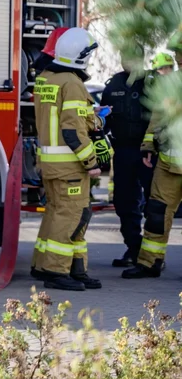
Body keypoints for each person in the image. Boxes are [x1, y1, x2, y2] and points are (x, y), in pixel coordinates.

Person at [31, 27, 108, 291]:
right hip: (70, 165)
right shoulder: (72, 83)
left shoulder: (46, 78)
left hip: (51, 164)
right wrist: (92, 162)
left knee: (58, 214)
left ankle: (59, 267)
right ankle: (56, 272)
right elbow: (72, 130)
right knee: (70, 217)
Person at [125, 48, 182, 279]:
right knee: (157, 213)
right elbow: (156, 117)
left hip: (169, 162)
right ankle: (149, 263)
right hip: (168, 164)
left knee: (157, 213)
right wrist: (148, 146)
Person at [101, 61, 154, 267]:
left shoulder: (151, 83)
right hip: (122, 150)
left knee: (154, 205)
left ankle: (151, 256)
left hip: (148, 152)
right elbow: (105, 118)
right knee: (124, 202)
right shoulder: (114, 84)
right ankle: (134, 248)